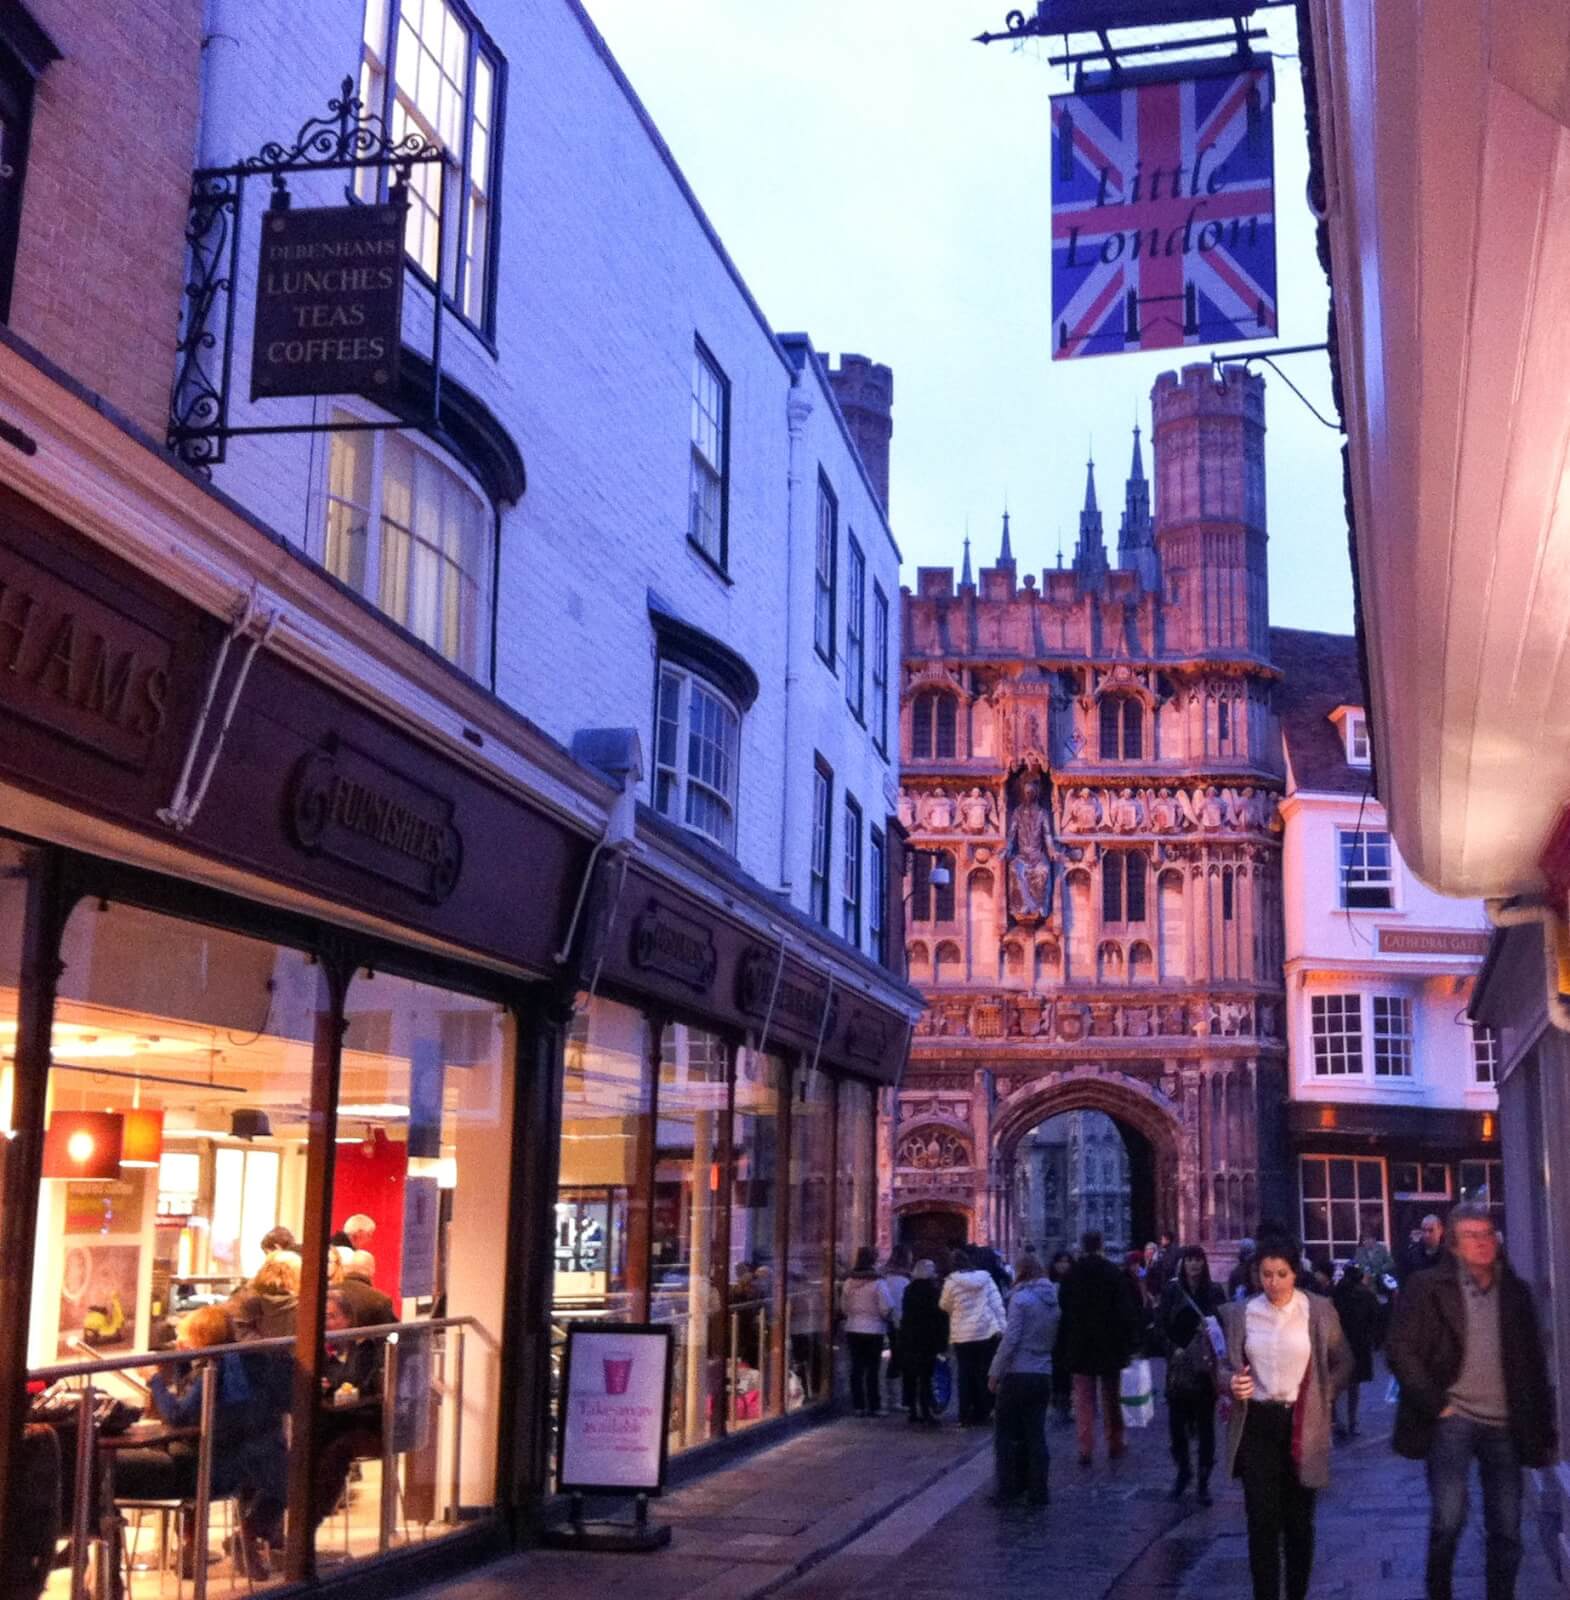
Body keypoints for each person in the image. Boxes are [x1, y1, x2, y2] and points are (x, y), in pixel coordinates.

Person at [1386, 1202, 1556, 1600]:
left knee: (1508, 1528)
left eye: (1487, 1234)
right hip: (1452, 1416)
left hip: (1504, 1422)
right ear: (1454, 1246)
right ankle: (1439, 1589)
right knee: (1449, 1518)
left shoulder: (1514, 1291)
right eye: (1471, 1236)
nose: (1481, 1243)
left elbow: (1532, 1364)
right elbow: (1401, 1348)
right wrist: (1435, 1402)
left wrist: (1543, 1429)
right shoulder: (1428, 1287)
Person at [1221, 1236, 1354, 1600]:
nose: (1273, 1282)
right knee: (1261, 1523)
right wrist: (1230, 1382)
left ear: (1295, 1273)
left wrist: (1324, 1393)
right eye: (1266, 1274)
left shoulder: (1319, 1310)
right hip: (1257, 1424)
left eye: (1281, 1273)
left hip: (1301, 1422)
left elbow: (1344, 1361)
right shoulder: (1240, 1314)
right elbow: (1220, 1364)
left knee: (1298, 1523)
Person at [119, 1304, 289, 1578]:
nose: (179, 1341)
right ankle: (231, 1540)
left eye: (184, 1335)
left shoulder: (211, 1369)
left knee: (166, 1465)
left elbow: (178, 1415)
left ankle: (190, 1546)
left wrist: (154, 1380)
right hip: (244, 1461)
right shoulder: (238, 1364)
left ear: (198, 1337)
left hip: (214, 1466)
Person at [1058, 1230, 1142, 1467]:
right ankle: (1114, 1442)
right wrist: (1130, 1340)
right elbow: (1124, 1309)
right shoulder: (1112, 1272)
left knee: (1083, 1399)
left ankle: (1085, 1447)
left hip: (1080, 1344)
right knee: (1110, 1398)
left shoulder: (1072, 1274)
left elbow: (1063, 1307)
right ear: (1101, 1245)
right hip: (1109, 1344)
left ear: (1082, 1246)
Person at [987, 1255, 1059, 1506]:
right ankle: (1038, 1490)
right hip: (1043, 1372)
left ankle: (1008, 1489)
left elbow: (1011, 1340)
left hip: (1019, 1372)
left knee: (1005, 1434)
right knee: (1036, 1434)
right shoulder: (1052, 1299)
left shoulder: (1021, 1299)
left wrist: (995, 1372)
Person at [1159, 1245, 1224, 1504]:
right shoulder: (1172, 1291)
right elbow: (1160, 1325)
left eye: (1198, 1260)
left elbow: (1222, 1324)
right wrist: (1171, 1349)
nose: (1194, 1265)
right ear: (1182, 1264)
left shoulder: (1213, 1291)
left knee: (1206, 1425)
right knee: (1177, 1425)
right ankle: (1183, 1470)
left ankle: (1203, 1479)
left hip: (1204, 1367)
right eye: (1189, 1261)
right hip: (1179, 1365)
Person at [940, 1246, 1007, 1426]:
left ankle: (964, 1414)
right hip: (986, 1331)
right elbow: (996, 1303)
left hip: (962, 1334)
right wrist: (1003, 1327)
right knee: (984, 1372)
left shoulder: (950, 1282)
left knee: (964, 1373)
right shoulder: (986, 1279)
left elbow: (944, 1305)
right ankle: (984, 1411)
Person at [840, 1246, 893, 1417]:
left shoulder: (849, 1282)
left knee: (856, 1367)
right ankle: (874, 1405)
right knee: (872, 1369)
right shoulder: (878, 1282)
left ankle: (858, 1405)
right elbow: (886, 1307)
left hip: (853, 1327)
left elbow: (844, 1306)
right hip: (874, 1329)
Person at [1331, 1263, 1378, 1438]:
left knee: (1338, 1384)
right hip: (1360, 1345)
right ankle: (1352, 1422)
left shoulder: (1337, 1292)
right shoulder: (1367, 1295)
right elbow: (1374, 1319)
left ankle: (1338, 1421)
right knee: (1354, 1387)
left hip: (1339, 1342)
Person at [900, 1260, 947, 1425]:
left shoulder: (909, 1290)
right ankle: (926, 1411)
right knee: (926, 1376)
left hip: (910, 1338)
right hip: (928, 1340)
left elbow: (905, 1314)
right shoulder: (934, 1292)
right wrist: (943, 1342)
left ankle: (912, 1410)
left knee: (911, 1376)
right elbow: (940, 1318)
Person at [1047, 1249, 1075, 1426]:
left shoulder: (1075, 1283)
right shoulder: (1049, 1284)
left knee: (1069, 1367)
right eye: (1060, 1261)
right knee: (1057, 1367)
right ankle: (1058, 1400)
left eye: (1066, 1261)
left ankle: (1067, 1401)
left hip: (1071, 1330)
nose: (1063, 1265)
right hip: (1054, 1331)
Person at [883, 1247, 913, 1408]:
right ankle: (896, 1399)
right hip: (901, 1324)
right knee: (899, 1360)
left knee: (896, 1359)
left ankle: (893, 1396)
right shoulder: (901, 1281)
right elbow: (901, 1305)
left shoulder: (886, 1277)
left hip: (891, 1323)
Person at [337, 1250, 396, 1328]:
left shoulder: (330, 1292)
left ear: (347, 1269)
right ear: (371, 1271)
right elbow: (385, 1335)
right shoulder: (381, 1300)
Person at [1401, 1214, 1446, 1282]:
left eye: (1431, 1230)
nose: (1427, 1235)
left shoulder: (1449, 1255)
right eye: (1424, 1230)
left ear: (1440, 1230)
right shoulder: (1411, 1256)